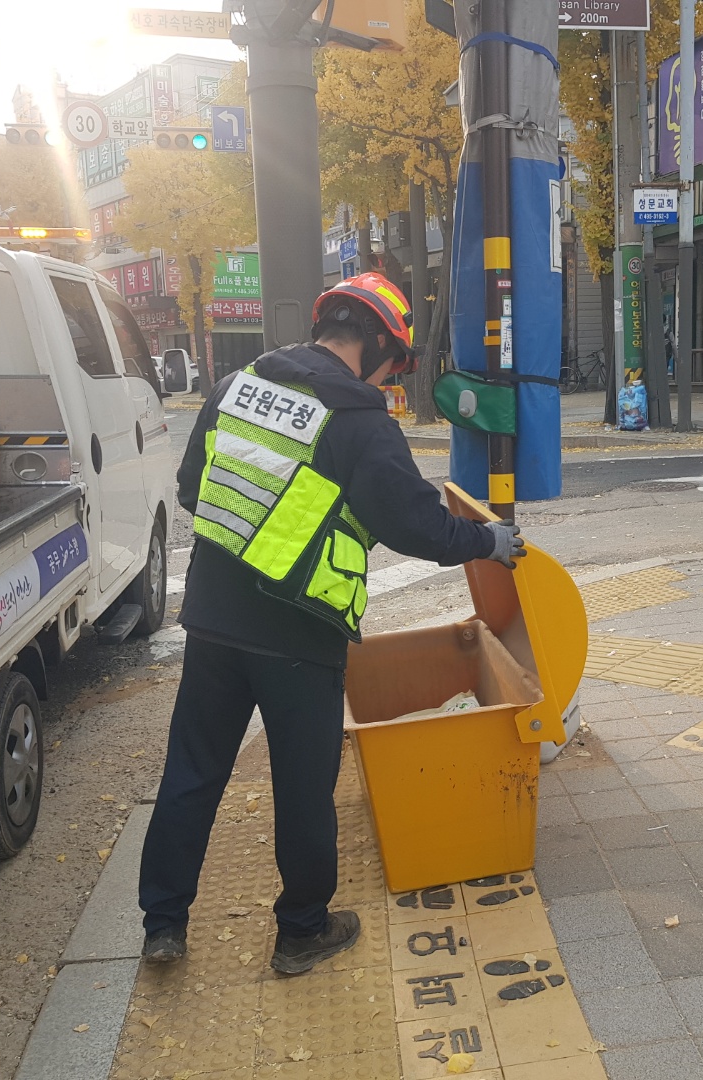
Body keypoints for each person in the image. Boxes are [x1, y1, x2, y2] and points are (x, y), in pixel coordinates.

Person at [139, 272, 526, 975]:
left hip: (214, 618)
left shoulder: (237, 384)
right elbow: (414, 524)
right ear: (378, 340)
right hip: (300, 634)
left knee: (192, 773)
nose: (391, 373)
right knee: (303, 786)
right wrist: (488, 543)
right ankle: (301, 932)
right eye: (397, 359)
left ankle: (163, 925)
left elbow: (195, 486)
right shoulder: (355, 416)